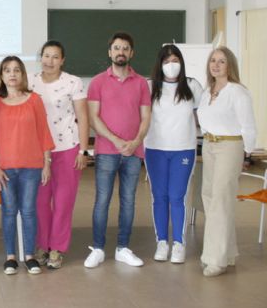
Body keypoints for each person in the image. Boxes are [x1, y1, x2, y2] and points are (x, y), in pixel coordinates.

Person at [83, 32, 151, 269]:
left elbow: (146, 117)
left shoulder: (141, 83)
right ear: (109, 52)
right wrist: (116, 140)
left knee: (129, 201)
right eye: (116, 48)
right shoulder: (98, 82)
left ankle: (123, 248)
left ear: (131, 53)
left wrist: (134, 142)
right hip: (106, 151)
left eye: (125, 48)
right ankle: (98, 248)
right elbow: (93, 117)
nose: (120, 52)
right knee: (102, 200)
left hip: (134, 152)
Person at [0, 56, 54, 275]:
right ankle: (10, 257)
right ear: (1, 76)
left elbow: (44, 132)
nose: (12, 74)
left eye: (17, 70)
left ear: (23, 74)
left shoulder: (34, 99)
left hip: (32, 166)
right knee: (8, 211)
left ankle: (29, 256)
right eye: (7, 70)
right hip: (6, 168)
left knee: (28, 211)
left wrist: (46, 163)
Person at [197, 46, 256, 277]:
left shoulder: (237, 92)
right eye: (213, 60)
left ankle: (215, 259)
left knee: (220, 201)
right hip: (210, 145)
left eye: (221, 61)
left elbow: (248, 125)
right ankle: (228, 253)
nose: (216, 65)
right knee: (210, 198)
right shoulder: (207, 91)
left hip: (230, 146)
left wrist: (247, 153)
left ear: (229, 65)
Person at [30, 40, 89, 270]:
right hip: (37, 152)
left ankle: (57, 248)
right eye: (46, 56)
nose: (50, 61)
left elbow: (83, 117)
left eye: (55, 57)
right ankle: (42, 246)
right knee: (40, 202)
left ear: (62, 60)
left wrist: (83, 150)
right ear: (41, 57)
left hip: (67, 148)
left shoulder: (73, 82)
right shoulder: (31, 82)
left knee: (64, 202)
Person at [145, 45, 203, 264]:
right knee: (159, 197)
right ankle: (162, 241)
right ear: (160, 64)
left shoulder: (192, 85)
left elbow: (202, 116)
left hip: (183, 149)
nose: (172, 65)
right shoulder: (149, 86)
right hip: (155, 148)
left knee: (177, 196)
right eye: (167, 61)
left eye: (175, 60)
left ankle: (178, 243)